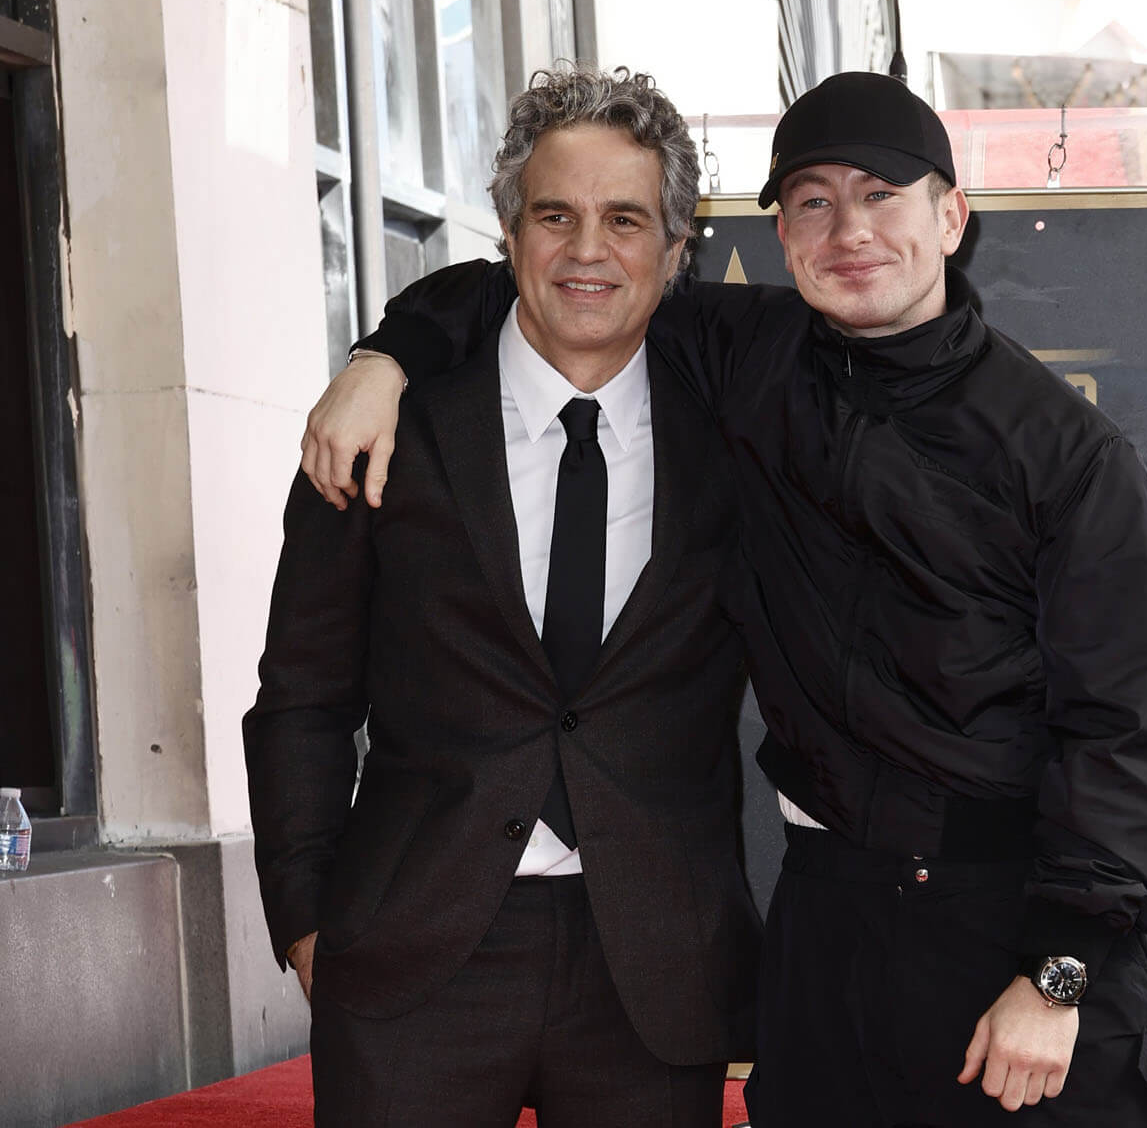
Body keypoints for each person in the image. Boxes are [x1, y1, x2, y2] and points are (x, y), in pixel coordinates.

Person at [304, 68, 1147, 1127]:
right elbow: (553, 281)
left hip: (1013, 930)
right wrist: (382, 356)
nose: (849, 230)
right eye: (813, 202)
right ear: (780, 235)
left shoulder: (1067, 453)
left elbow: (1133, 728)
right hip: (828, 928)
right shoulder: (746, 358)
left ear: (951, 217)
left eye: (882, 195)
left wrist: (1062, 973)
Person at [243, 68, 760, 1127]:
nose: (586, 251)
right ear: (509, 234)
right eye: (554, 215)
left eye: (623, 220)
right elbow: (300, 693)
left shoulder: (739, 435)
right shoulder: (384, 431)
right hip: (411, 956)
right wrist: (306, 917)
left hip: (652, 970)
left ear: (674, 251)